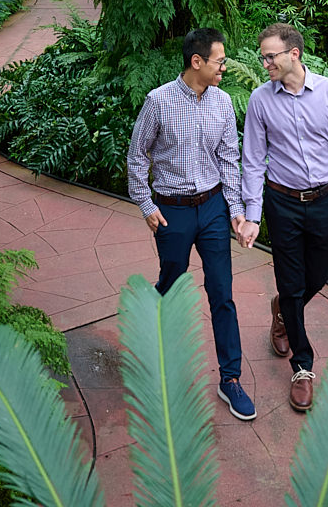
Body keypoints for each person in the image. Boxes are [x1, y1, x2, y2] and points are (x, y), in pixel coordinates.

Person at [126, 27, 257, 421]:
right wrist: (146, 204)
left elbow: (228, 160)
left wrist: (235, 209)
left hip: (213, 207)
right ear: (196, 62)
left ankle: (230, 379)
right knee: (172, 285)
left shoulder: (221, 102)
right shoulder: (158, 102)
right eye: (220, 60)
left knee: (222, 292)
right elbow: (136, 156)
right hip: (172, 211)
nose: (225, 67)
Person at [238, 22, 328, 412]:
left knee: (319, 275)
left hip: (323, 200)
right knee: (291, 284)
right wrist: (252, 215)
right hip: (282, 203)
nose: (265, 63)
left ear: (294, 54)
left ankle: (284, 310)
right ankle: (303, 367)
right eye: (263, 57)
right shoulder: (260, 100)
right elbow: (253, 161)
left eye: (270, 56)